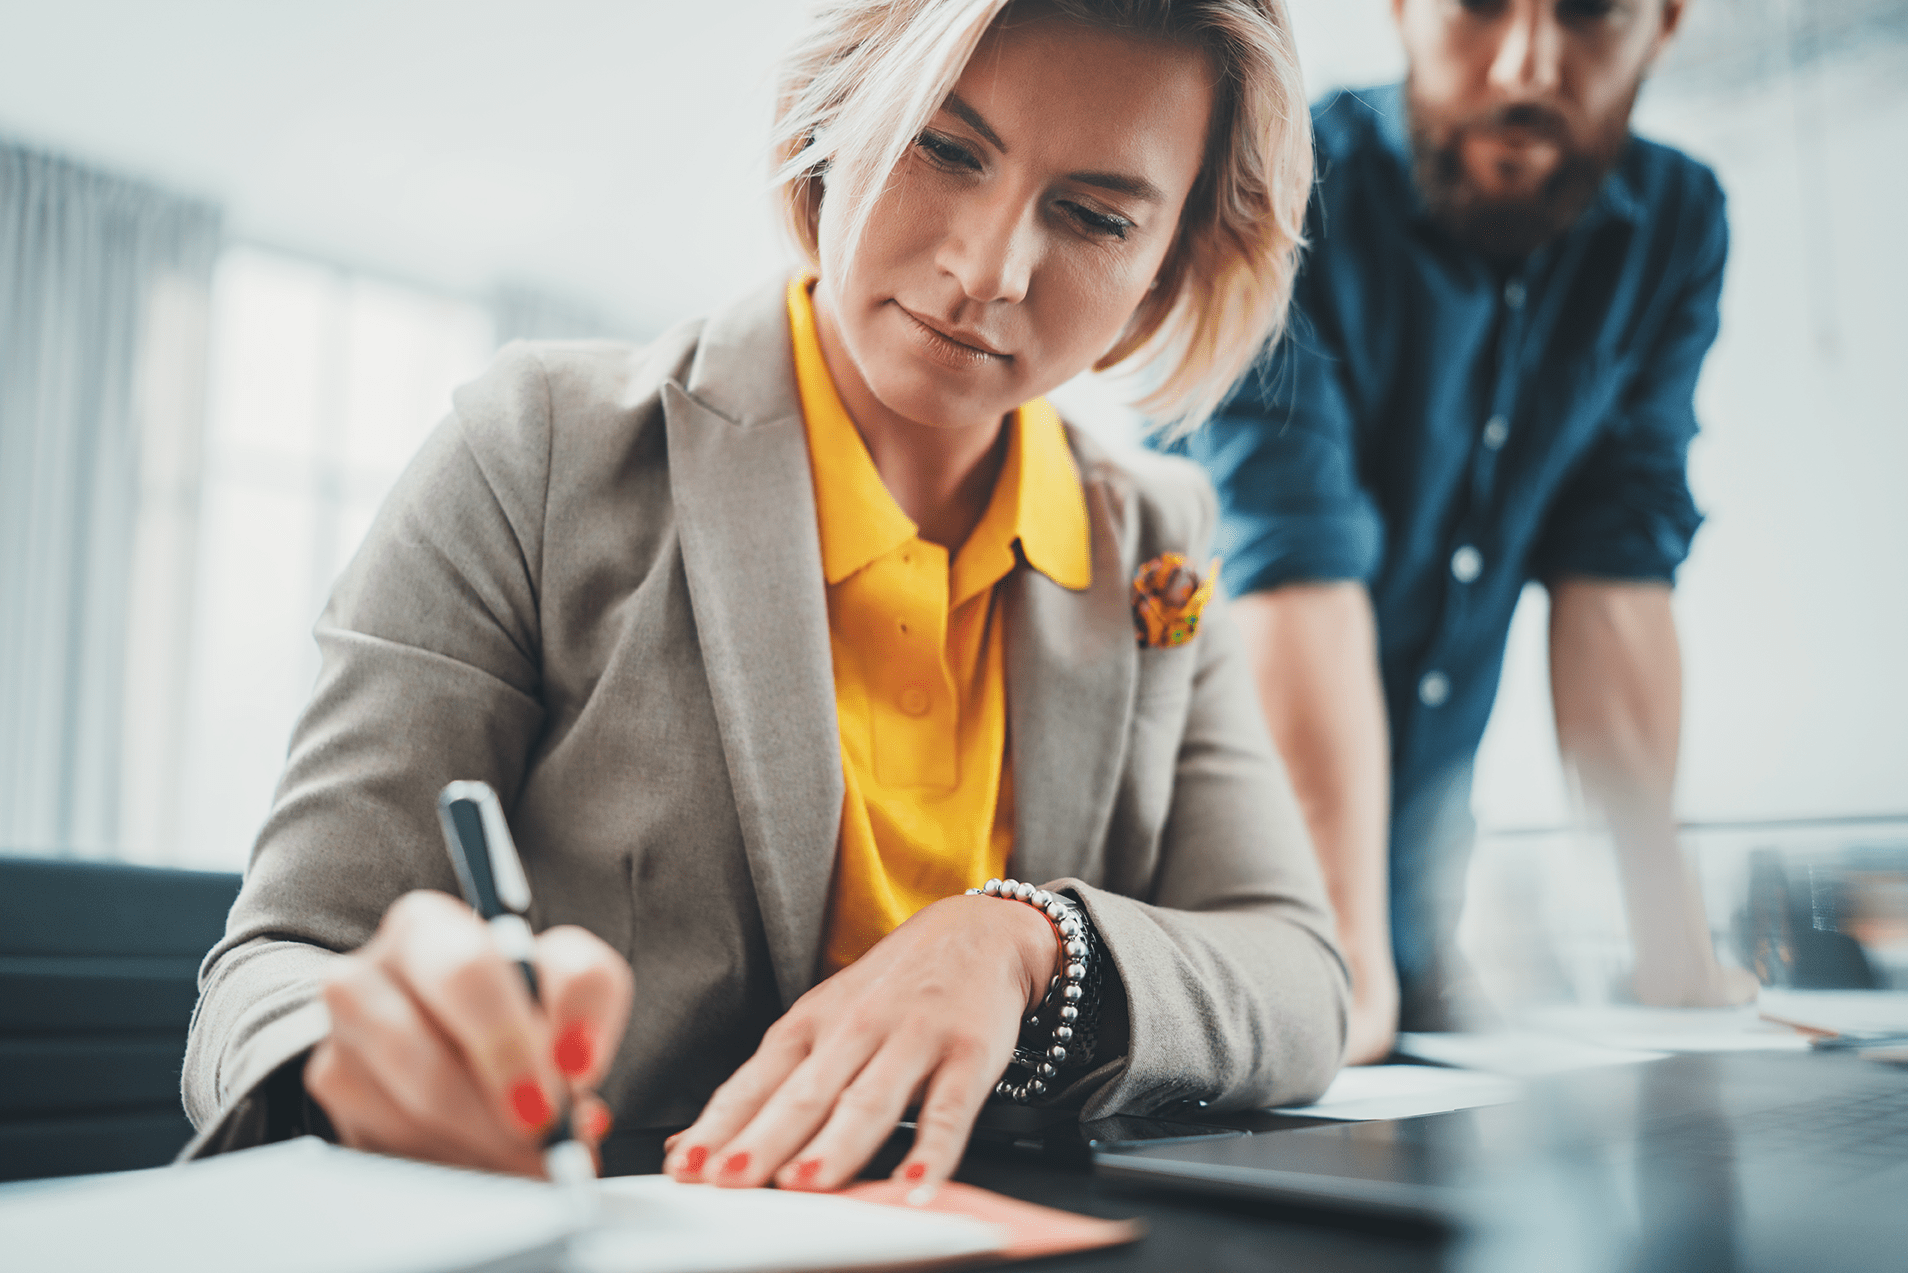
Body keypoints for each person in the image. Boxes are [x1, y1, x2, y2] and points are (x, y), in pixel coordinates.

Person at [181, 0, 1349, 1196]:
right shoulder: (538, 449)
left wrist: (1023, 941)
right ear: (836, 120)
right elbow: (275, 971)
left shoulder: (1156, 542)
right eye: (947, 149)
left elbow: (1302, 979)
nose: (987, 270)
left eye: (1096, 216)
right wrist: (347, 1058)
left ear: (1165, 274)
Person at [1172, 0, 1754, 1065]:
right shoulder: (1278, 181)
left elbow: (1618, 566)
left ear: (1664, 24)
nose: (1527, 65)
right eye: (1480, 5)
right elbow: (1291, 561)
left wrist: (1670, 947)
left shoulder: (1676, 223)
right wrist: (1332, 956)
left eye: (1588, 14)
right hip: (1219, 903)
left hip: (1415, 915)